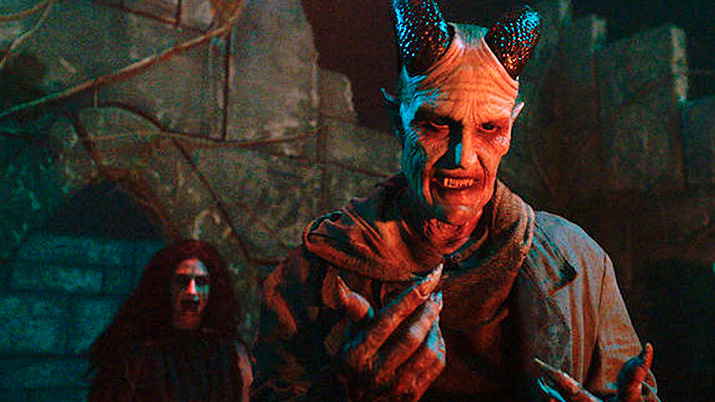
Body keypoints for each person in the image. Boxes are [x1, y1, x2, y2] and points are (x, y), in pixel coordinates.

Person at [251, 1, 658, 401]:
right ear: (398, 122)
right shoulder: (313, 272)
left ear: (511, 128)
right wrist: (344, 393)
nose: (463, 157)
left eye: (490, 128)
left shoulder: (581, 262)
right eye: (435, 124)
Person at [88, 239, 252, 401]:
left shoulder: (227, 353)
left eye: (201, 282)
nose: (192, 291)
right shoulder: (136, 353)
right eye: (182, 281)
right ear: (166, 285)